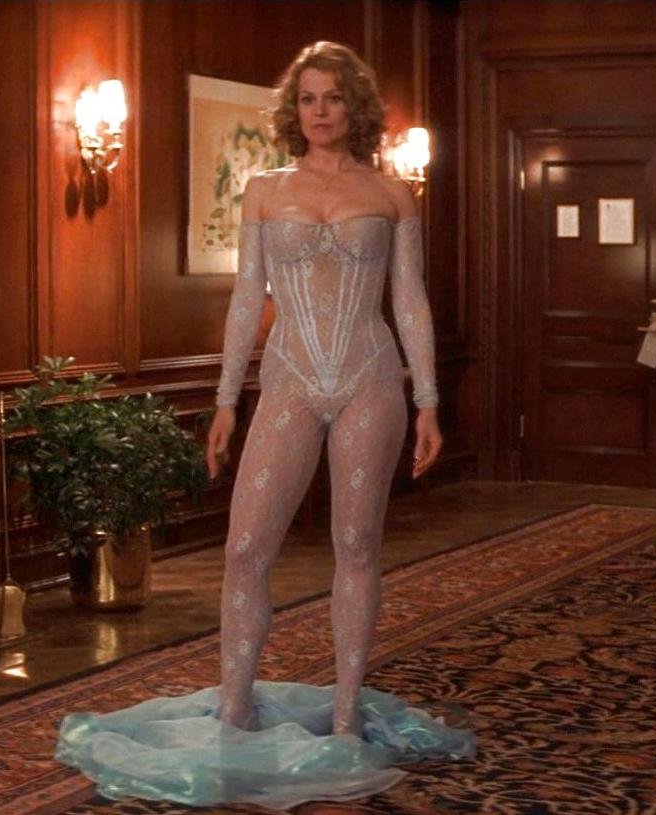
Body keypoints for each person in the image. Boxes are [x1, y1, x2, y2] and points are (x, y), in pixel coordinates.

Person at [54, 42, 473, 810]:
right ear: (293, 109)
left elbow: (409, 298)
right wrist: (225, 399)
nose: (319, 111)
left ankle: (345, 715)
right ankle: (235, 706)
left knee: (356, 545)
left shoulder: (390, 194)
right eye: (308, 98)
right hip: (287, 380)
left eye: (333, 98)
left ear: (354, 106)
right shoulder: (263, 191)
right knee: (245, 547)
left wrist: (428, 399)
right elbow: (248, 297)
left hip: (370, 378)